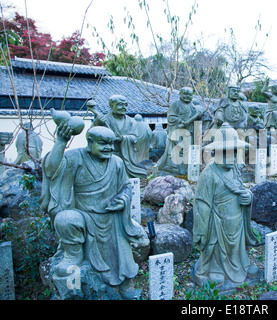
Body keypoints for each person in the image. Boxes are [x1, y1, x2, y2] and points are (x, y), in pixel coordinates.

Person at [39, 124, 149, 298]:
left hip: (111, 219)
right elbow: (52, 169)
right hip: (84, 217)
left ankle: (124, 286)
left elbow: (126, 187)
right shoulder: (75, 158)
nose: (109, 148)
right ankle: (73, 255)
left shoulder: (117, 162)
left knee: (121, 256)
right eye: (103, 143)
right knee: (65, 218)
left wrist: (123, 199)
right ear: (90, 142)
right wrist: (60, 141)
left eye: (111, 144)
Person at [192, 123, 261, 291]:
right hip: (217, 221)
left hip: (236, 219)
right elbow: (202, 203)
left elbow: (241, 189)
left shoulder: (235, 170)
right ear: (217, 153)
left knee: (237, 245)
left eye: (234, 152)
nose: (232, 157)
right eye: (227, 153)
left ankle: (241, 264)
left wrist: (248, 196)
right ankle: (214, 268)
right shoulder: (208, 174)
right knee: (215, 244)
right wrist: (201, 230)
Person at [92, 95, 147, 179]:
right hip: (109, 155)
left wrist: (123, 138)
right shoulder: (104, 120)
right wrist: (97, 124)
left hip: (126, 157)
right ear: (111, 105)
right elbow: (90, 136)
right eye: (120, 104)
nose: (123, 107)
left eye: (125, 105)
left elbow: (136, 138)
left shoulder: (131, 121)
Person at [157, 87, 204, 175]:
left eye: (190, 95)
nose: (187, 96)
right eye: (185, 94)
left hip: (189, 131)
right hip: (178, 130)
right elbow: (171, 117)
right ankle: (173, 167)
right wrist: (179, 120)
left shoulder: (192, 106)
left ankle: (185, 170)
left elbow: (197, 118)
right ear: (180, 94)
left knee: (188, 151)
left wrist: (199, 116)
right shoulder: (175, 105)